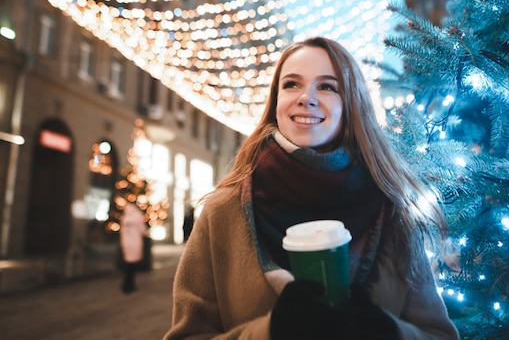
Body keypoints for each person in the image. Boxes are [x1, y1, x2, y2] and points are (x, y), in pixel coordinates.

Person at [164, 36, 459, 339]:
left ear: (351, 104)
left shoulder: (392, 210)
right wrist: (268, 332)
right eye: (291, 84)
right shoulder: (222, 212)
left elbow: (439, 335)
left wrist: (389, 332)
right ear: (276, 101)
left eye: (327, 86)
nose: (306, 97)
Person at [119, 202, 146, 294]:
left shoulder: (125, 218)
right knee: (133, 266)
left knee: (128, 265)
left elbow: (122, 233)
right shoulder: (137, 216)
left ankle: (126, 284)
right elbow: (142, 230)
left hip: (127, 244)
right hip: (135, 243)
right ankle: (130, 284)